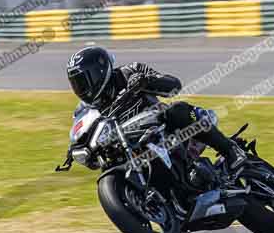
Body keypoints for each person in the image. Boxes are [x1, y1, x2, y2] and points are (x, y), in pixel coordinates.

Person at [65, 46, 245, 184]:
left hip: (165, 130)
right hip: (132, 148)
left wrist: (147, 81)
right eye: (76, 83)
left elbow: (174, 86)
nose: (81, 88)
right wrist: (76, 148)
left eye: (84, 80)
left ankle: (230, 150)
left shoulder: (129, 72)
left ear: (100, 71)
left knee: (177, 109)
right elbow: (84, 141)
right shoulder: (84, 109)